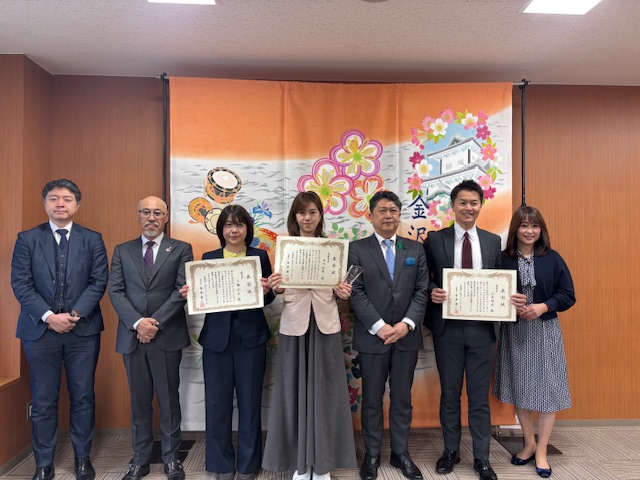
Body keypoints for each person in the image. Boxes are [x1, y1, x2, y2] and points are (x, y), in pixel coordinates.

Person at [11, 179, 108, 480]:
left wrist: (74, 314)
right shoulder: (27, 239)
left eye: (67, 198)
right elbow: (21, 284)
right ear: (45, 204)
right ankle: (43, 463)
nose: (60, 204)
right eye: (54, 198)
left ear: (77, 204)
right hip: (40, 332)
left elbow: (98, 282)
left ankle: (82, 459)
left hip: (83, 331)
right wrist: (49, 316)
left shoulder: (92, 239)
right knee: (43, 400)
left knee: (83, 397)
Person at [262, 191, 356, 480]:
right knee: (294, 391)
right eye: (302, 212)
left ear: (320, 216)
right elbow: (280, 288)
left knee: (326, 392)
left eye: (313, 212)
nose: (307, 217)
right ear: (295, 217)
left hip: (325, 324)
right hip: (295, 324)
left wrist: (343, 291)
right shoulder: (285, 248)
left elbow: (339, 289)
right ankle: (300, 464)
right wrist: (276, 287)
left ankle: (322, 464)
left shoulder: (333, 248)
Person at [179, 205, 275, 480]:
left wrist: (267, 290)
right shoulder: (209, 258)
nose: (234, 230)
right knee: (217, 404)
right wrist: (191, 293)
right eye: (228, 225)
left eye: (239, 224)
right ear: (221, 229)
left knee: (250, 403)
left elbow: (268, 298)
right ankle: (220, 464)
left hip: (251, 338)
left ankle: (248, 464)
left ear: (247, 229)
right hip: (216, 339)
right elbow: (203, 297)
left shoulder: (259, 256)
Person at [109, 196, 193, 480]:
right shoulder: (122, 251)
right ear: (138, 216)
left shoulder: (181, 249)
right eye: (146, 212)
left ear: (166, 217)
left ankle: (171, 459)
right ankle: (140, 459)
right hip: (132, 336)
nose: (152, 217)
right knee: (139, 401)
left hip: (166, 335)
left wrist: (153, 324)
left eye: (158, 213)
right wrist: (137, 323)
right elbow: (115, 291)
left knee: (169, 400)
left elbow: (181, 290)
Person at [423, 179, 501, 480]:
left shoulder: (493, 241)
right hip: (448, 329)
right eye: (463, 203)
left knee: (479, 397)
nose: (468, 208)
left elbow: (501, 279)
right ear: (453, 206)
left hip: (483, 330)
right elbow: (424, 277)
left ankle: (482, 458)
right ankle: (451, 450)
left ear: (481, 205)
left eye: (474, 203)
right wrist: (432, 290)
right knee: (450, 394)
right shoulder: (435, 240)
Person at [348, 190, 429, 480]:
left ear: (399, 215)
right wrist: (379, 326)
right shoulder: (357, 249)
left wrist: (406, 324)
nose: (388, 216)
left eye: (393, 210)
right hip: (373, 337)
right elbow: (355, 292)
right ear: (370, 216)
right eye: (382, 211)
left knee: (402, 399)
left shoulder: (415, 249)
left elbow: (422, 290)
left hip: (406, 336)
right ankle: (371, 455)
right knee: (371, 399)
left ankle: (400, 452)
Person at [493, 205, 575, 479]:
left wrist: (543, 306)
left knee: (548, 389)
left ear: (541, 229)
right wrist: (509, 303)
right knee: (521, 387)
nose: (529, 231)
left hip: (545, 331)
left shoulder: (552, 258)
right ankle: (528, 444)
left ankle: (541, 450)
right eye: (524, 225)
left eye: (535, 225)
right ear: (515, 229)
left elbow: (568, 295)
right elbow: (492, 293)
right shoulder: (502, 259)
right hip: (515, 332)